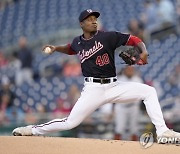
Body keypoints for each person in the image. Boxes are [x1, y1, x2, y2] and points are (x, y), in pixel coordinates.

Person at [12, 9, 180, 140]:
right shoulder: (78, 42)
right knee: (70, 123)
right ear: (81, 24)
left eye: (95, 18)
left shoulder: (108, 36)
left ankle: (163, 131)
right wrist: (56, 48)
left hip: (114, 86)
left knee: (149, 92)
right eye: (89, 19)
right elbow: (71, 48)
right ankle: (32, 130)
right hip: (93, 89)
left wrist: (143, 51)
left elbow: (134, 39)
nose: (94, 21)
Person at [114, 66, 143, 141]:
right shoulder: (119, 79)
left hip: (133, 106)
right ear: (125, 70)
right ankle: (115, 147)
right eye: (128, 69)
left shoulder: (137, 79)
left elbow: (142, 94)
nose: (130, 71)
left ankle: (134, 148)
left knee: (134, 129)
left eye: (131, 69)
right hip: (121, 106)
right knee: (119, 128)